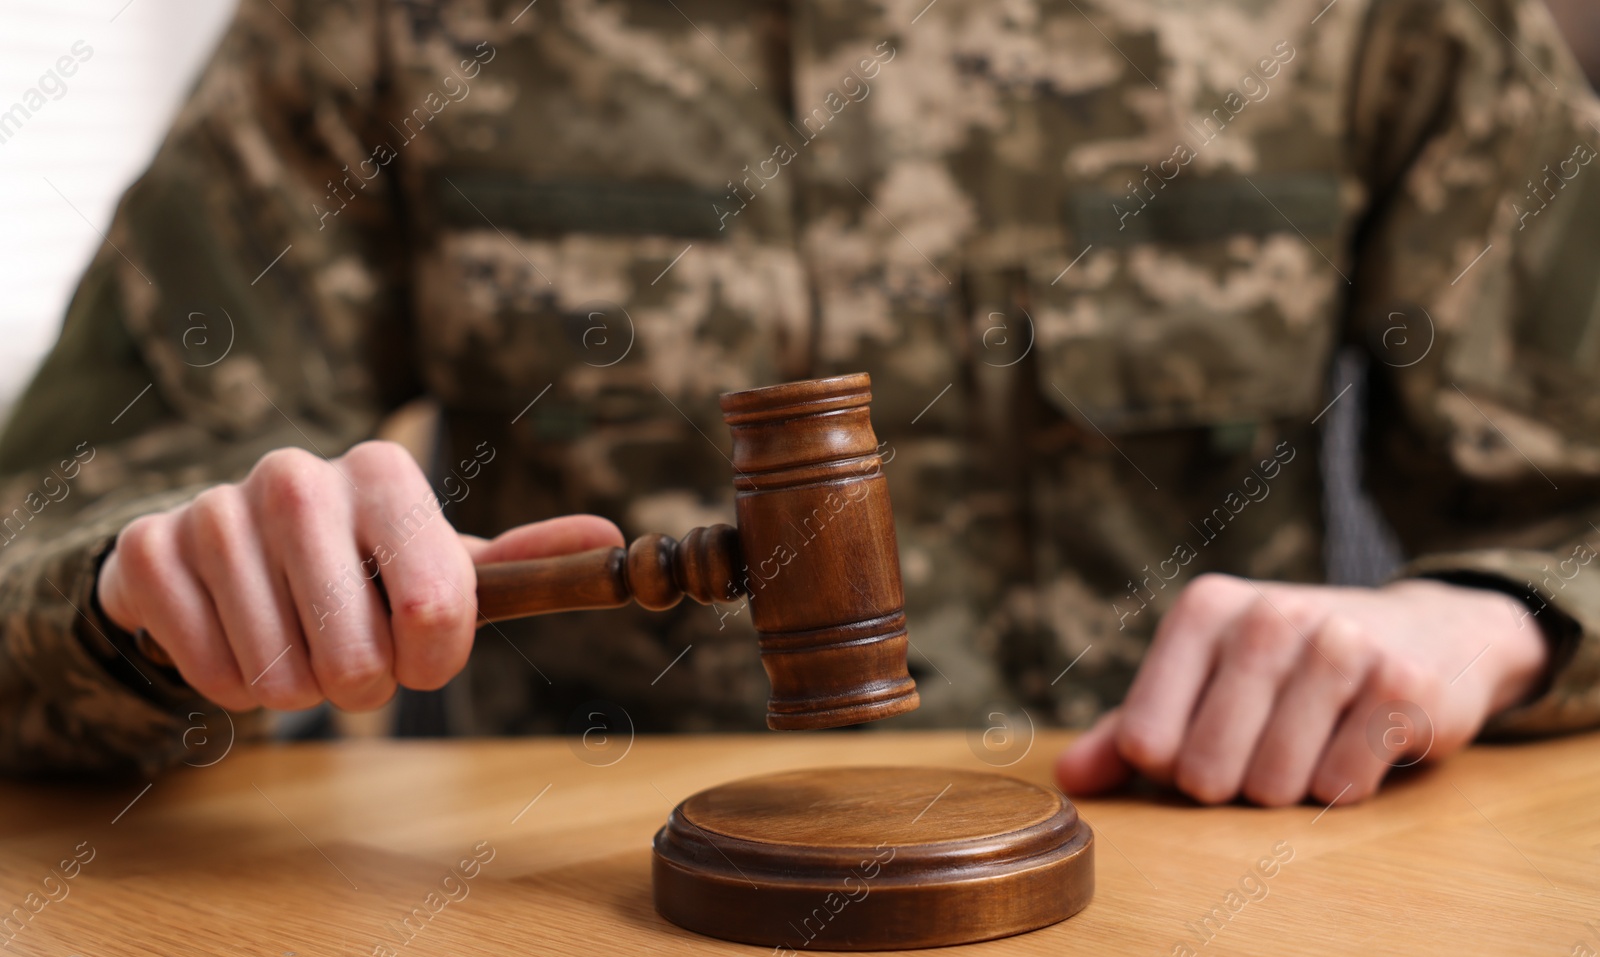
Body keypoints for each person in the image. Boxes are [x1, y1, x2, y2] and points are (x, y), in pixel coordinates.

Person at [1, 0, 1597, 808]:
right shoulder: (377, 22)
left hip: (1209, 933)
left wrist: (1487, 620)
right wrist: (143, 604)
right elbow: (44, 534)